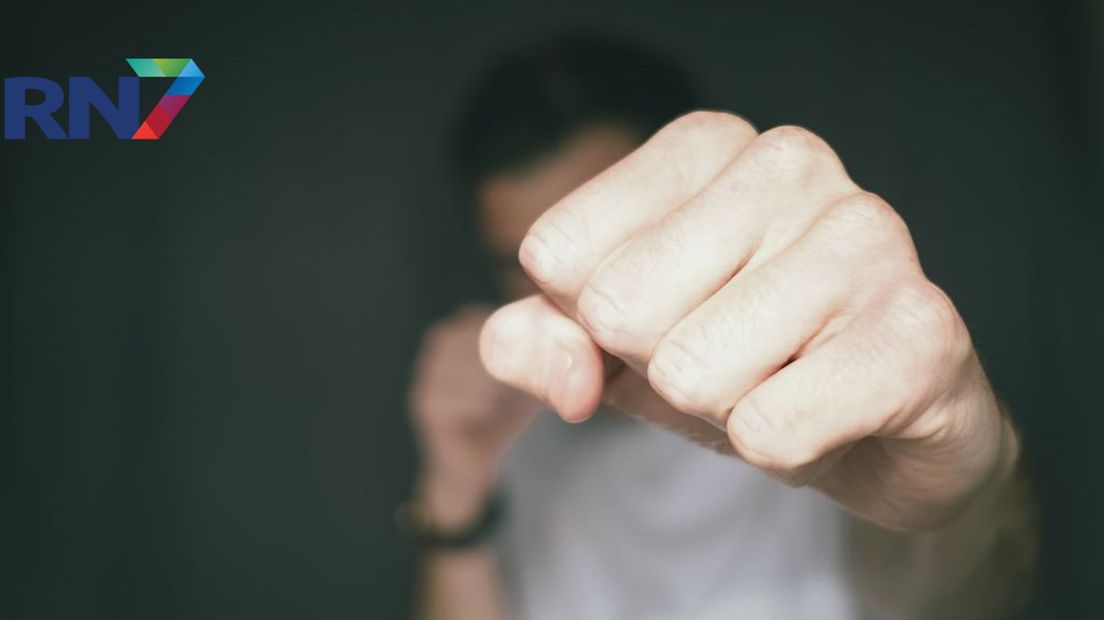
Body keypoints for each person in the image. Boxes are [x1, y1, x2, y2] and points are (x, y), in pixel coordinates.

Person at [401, 32, 1036, 619]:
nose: (567, 305)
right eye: (522, 266)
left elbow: (976, 595)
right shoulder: (507, 429)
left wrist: (965, 480)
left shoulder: (820, 385)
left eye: (604, 243)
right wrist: (456, 498)